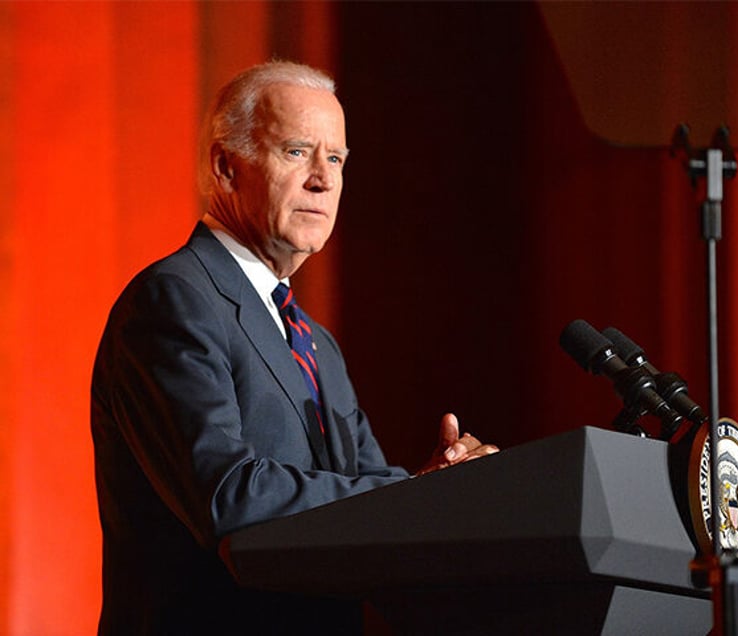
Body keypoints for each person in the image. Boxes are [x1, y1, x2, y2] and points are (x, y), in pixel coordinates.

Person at [90, 60, 498, 635]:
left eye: (335, 160)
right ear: (226, 167)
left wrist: (451, 488)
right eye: (296, 152)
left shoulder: (316, 342)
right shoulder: (173, 301)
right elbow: (227, 495)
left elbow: (373, 495)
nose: (322, 180)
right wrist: (412, 489)